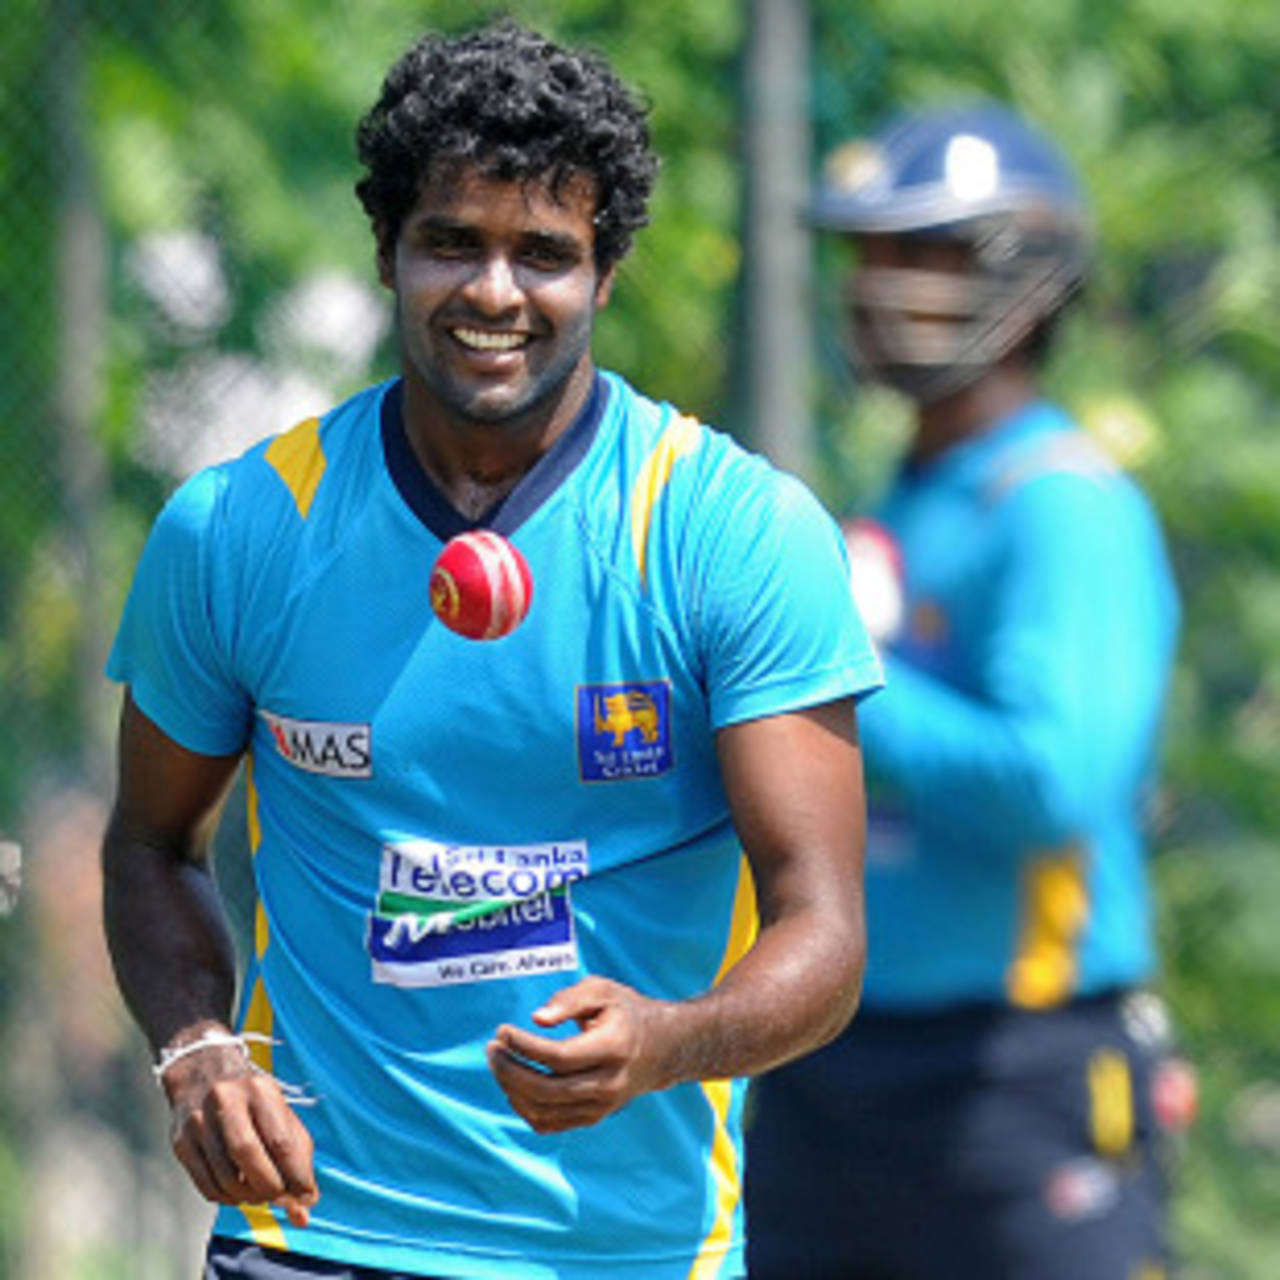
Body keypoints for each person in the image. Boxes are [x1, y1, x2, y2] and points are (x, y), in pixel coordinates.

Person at [101, 19, 884, 1280]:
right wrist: (195, 1043)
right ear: (386, 252)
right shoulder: (243, 529)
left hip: (625, 1251)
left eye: (545, 253)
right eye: (451, 241)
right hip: (309, 1235)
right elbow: (149, 843)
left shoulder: (722, 530)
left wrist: (671, 1038)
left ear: (606, 271)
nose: (494, 292)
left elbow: (826, 932)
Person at [745, 102, 1184, 1279]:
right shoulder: (892, 498)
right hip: (826, 1069)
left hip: (1012, 1068)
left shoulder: (1059, 504)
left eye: (920, 253)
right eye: (869, 253)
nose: (876, 283)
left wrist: (819, 682)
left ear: (1027, 282)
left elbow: (1052, 783)